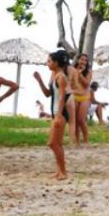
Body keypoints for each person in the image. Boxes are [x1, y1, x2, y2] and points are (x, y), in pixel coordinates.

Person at [34, 50, 71, 180]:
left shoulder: (61, 77)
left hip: (60, 113)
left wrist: (59, 116)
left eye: (49, 61)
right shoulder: (53, 75)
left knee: (53, 143)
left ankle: (63, 172)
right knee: (56, 143)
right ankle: (59, 171)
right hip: (55, 112)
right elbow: (47, 94)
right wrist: (39, 81)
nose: (47, 63)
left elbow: (61, 98)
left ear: (56, 63)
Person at [70, 53, 92, 146]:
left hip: (85, 97)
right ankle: (78, 141)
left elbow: (87, 84)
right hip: (74, 96)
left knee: (81, 119)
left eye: (85, 60)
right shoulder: (72, 70)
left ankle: (86, 139)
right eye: (81, 59)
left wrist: (80, 74)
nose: (83, 62)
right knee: (74, 120)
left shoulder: (89, 71)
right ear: (78, 60)